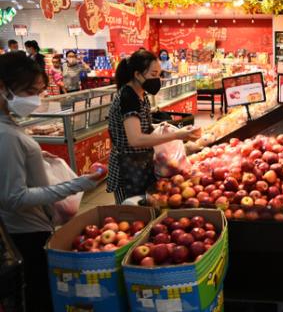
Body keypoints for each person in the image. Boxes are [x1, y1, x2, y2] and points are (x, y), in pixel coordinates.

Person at [0, 52, 102, 312]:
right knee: (38, 295)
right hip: (25, 235)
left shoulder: (9, 125)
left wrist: (35, 157)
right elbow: (14, 198)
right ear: (3, 87)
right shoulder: (6, 135)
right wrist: (79, 184)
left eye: (40, 91)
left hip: (31, 228)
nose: (36, 99)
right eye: (29, 91)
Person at [107, 50, 202, 204]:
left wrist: (164, 127)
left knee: (146, 208)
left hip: (141, 163)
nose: (157, 79)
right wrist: (177, 136)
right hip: (127, 167)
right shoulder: (128, 97)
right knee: (131, 212)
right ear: (138, 75)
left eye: (159, 74)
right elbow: (136, 139)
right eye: (153, 74)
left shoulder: (140, 94)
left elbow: (141, 124)